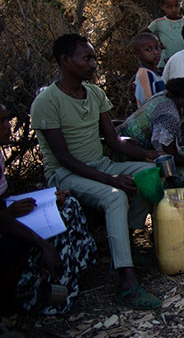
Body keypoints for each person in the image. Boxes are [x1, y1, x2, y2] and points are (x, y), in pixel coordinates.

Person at [30, 34, 163, 309]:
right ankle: (126, 282)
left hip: (100, 165)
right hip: (65, 174)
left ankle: (127, 243)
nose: (93, 64)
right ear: (66, 61)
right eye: (87, 58)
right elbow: (64, 158)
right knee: (115, 195)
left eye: (93, 57)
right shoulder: (47, 101)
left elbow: (113, 141)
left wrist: (149, 156)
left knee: (151, 172)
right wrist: (111, 179)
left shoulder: (95, 93)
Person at [0, 104, 97, 315]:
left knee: (68, 206)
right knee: (46, 237)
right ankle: (39, 296)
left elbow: (3, 199)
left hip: (7, 215)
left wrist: (44, 199)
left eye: (7, 119)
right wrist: (42, 244)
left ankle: (75, 272)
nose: (8, 127)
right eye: (2, 122)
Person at [117, 78, 184, 170]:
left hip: (123, 144)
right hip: (130, 153)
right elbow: (172, 155)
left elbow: (174, 139)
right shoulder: (169, 114)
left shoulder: (162, 96)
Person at [148, 0, 184, 69]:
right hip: (165, 64)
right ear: (162, 6)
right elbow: (144, 35)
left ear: (180, 3)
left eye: (176, 5)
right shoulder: (158, 23)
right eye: (169, 7)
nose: (174, 9)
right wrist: (156, 43)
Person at [131, 32, 165, 107]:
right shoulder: (144, 74)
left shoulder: (156, 72)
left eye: (157, 48)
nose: (156, 52)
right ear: (137, 54)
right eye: (149, 50)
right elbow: (148, 103)